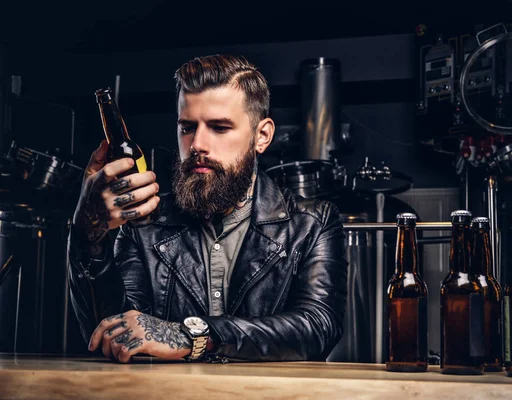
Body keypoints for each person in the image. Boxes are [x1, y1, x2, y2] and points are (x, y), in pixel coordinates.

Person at [67, 54, 348, 364]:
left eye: (219, 127)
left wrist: (195, 334)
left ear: (262, 136)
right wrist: (87, 232)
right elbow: (113, 333)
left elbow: (317, 327)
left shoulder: (311, 223)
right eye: (187, 127)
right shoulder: (145, 223)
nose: (198, 144)